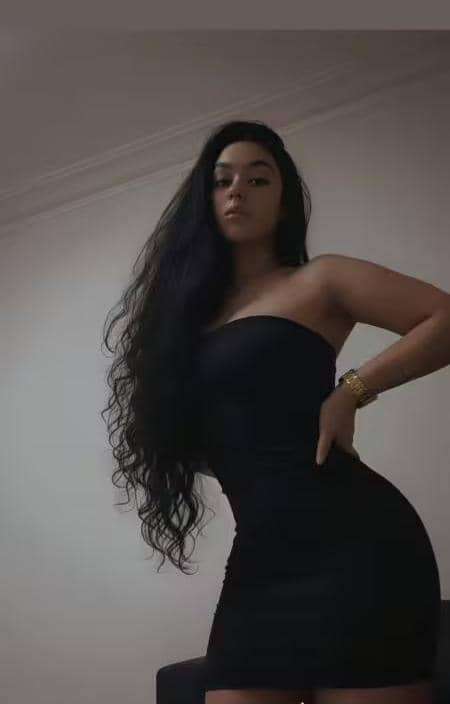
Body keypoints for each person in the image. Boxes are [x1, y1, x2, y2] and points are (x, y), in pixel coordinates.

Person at [101, 120, 450, 704]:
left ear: (283, 200)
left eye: (258, 179)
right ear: (206, 198)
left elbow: (443, 318)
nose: (238, 190)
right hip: (261, 560)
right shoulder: (185, 320)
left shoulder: (321, 279)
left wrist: (352, 390)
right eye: (223, 180)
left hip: (360, 548)